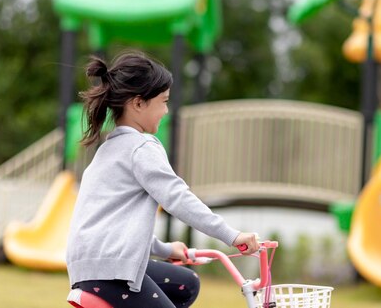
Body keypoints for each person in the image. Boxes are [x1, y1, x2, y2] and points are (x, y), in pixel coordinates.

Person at [66, 50, 259, 308]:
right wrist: (232, 235)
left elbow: (113, 226)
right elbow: (177, 197)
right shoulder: (141, 147)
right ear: (138, 103)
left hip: (89, 268)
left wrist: (166, 250)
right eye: (164, 101)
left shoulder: (108, 150)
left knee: (187, 283)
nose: (166, 111)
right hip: (111, 273)